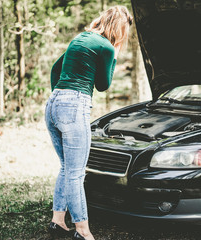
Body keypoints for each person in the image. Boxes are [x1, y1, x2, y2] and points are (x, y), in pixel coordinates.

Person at [45, 6, 133, 240]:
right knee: (76, 172)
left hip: (53, 104)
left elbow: (56, 69)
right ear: (120, 29)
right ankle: (83, 231)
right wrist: (113, 55)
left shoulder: (80, 38)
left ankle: (58, 221)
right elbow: (103, 85)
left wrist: (60, 95)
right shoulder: (105, 47)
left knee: (66, 167)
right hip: (74, 105)